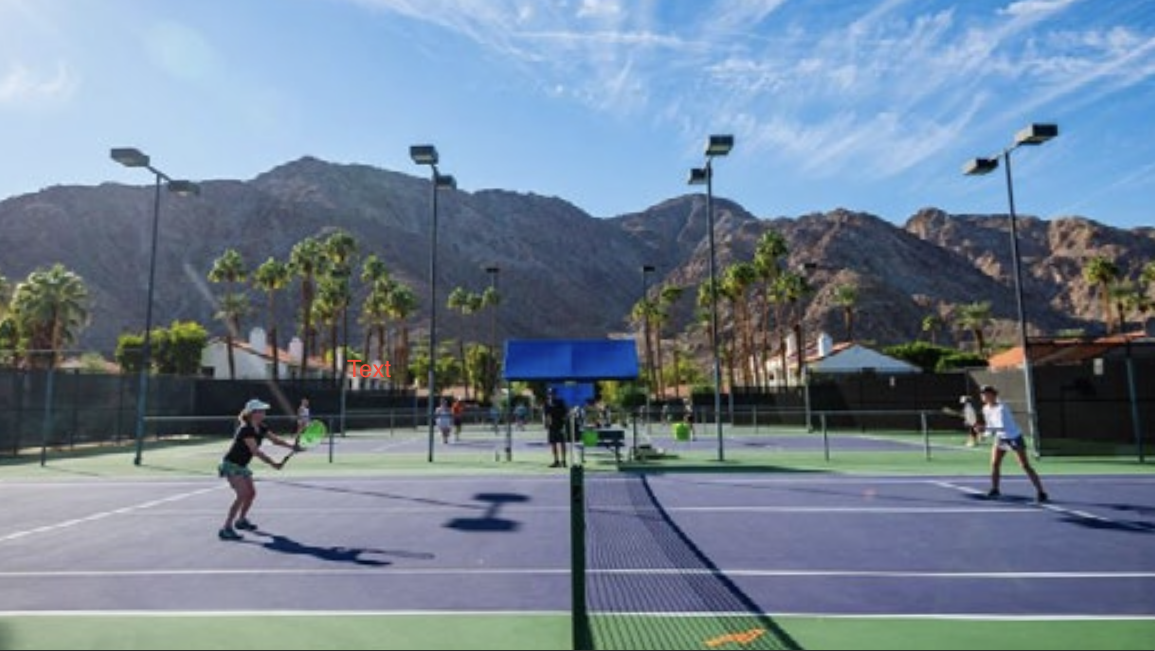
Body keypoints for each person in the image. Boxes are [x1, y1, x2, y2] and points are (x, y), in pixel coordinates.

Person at [218, 398, 300, 540]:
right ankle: (226, 528)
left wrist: (292, 446)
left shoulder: (261, 427)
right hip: (231, 465)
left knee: (251, 494)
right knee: (242, 494)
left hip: (242, 466)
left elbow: (275, 440)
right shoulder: (245, 430)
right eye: (261, 410)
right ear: (252, 413)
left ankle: (241, 521)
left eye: (264, 410)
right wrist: (273, 463)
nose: (264, 413)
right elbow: (255, 452)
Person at [975, 385, 1049, 503]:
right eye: (982, 393)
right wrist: (984, 434)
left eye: (985, 393)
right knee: (994, 463)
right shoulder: (985, 409)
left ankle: (1041, 492)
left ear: (993, 395)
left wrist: (983, 429)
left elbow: (1000, 426)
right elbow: (991, 427)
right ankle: (995, 489)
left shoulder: (1002, 408)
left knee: (1024, 466)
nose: (983, 396)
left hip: (1013, 437)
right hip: (1001, 438)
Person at [545, 390, 568, 468]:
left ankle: (564, 461)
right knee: (553, 444)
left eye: (552, 394)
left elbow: (565, 413)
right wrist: (547, 424)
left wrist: (564, 425)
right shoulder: (547, 403)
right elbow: (546, 415)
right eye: (549, 394)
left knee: (562, 444)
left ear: (555, 394)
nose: (551, 395)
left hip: (560, 426)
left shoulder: (560, 402)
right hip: (552, 427)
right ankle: (556, 461)